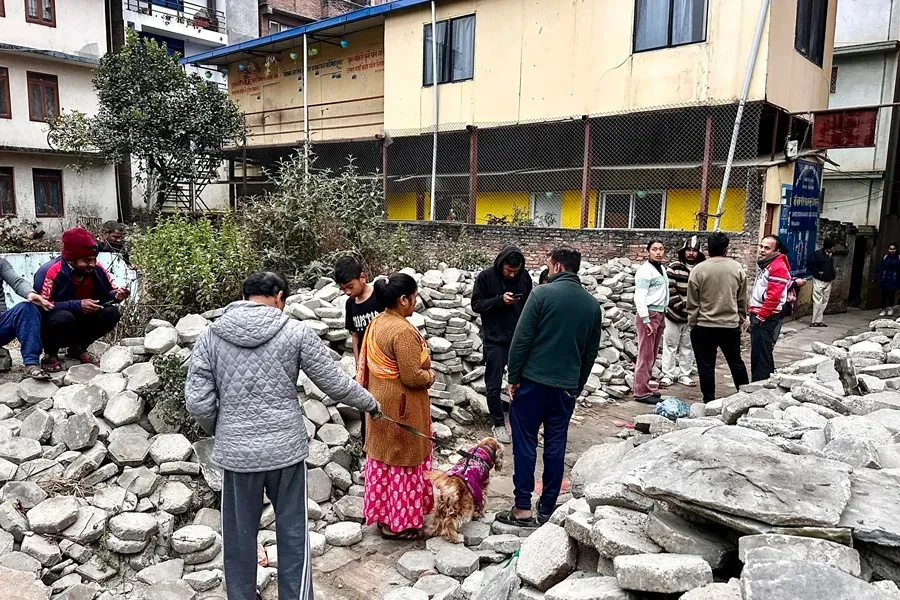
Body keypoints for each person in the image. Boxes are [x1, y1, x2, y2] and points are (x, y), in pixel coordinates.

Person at [185, 271, 378, 600]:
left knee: (239, 537)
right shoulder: (295, 331)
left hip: (237, 456)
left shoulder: (210, 336)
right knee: (293, 535)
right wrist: (371, 403)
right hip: (285, 452)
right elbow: (333, 381)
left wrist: (224, 428)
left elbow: (198, 401)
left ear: (245, 295)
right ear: (278, 296)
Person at [499, 247, 602, 527]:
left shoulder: (541, 294)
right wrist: (576, 386)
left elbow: (521, 340)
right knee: (556, 446)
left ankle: (522, 508)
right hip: (565, 388)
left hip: (532, 382)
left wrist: (514, 377)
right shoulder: (592, 306)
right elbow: (590, 353)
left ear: (556, 266)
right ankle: (546, 510)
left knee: (525, 443)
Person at [358, 273, 436, 541]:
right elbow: (412, 376)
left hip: (380, 404)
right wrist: (430, 375)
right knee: (404, 464)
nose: (415, 303)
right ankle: (399, 524)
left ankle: (383, 517)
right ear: (403, 299)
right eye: (414, 298)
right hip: (402, 410)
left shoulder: (377, 322)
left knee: (384, 463)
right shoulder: (402, 331)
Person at [34, 227, 128, 371]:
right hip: (53, 320)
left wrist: (116, 296)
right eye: (86, 260)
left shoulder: (96, 270)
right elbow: (41, 306)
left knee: (112, 313)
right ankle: (50, 354)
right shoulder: (49, 272)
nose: (92, 264)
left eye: (94, 259)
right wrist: (77, 305)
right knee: (62, 317)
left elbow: (108, 293)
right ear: (71, 259)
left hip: (81, 318)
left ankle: (77, 348)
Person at [471, 246, 532, 444]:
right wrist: (499, 300)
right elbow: (476, 305)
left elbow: (530, 305)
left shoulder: (524, 278)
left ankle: (520, 422)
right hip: (495, 340)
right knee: (494, 384)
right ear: (501, 264)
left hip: (519, 340)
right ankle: (498, 423)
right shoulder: (486, 278)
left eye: (515, 270)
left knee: (522, 384)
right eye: (509, 270)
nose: (512, 274)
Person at [687, 232, 750, 402]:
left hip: (704, 326)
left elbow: (692, 301)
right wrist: (741, 318)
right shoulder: (737, 268)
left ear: (707, 249)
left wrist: (693, 322)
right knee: (735, 361)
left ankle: (709, 400)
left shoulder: (698, 269)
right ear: (726, 250)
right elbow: (742, 299)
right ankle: (744, 396)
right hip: (729, 325)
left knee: (706, 365)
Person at [661, 236, 705, 388]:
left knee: (688, 346)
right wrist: (682, 307)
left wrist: (696, 311)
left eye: (694, 251)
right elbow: (669, 288)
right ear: (683, 251)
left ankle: (684, 374)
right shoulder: (674, 267)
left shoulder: (702, 269)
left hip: (693, 317)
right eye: (689, 250)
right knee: (670, 345)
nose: (691, 253)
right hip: (673, 314)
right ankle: (668, 374)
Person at [748, 235, 792, 382]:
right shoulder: (767, 264)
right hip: (760, 313)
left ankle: (759, 385)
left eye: (767, 248)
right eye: (761, 246)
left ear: (776, 250)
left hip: (766, 316)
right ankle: (765, 381)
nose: (762, 250)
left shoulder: (778, 267)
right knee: (760, 351)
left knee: (761, 353)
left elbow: (773, 297)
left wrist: (760, 316)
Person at [0, 259, 54, 379]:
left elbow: (17, 282)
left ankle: (31, 364)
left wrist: (30, 294)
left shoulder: (1, 263)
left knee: (26, 309)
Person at [633, 240, 669, 404]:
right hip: (649, 313)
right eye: (654, 249)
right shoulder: (645, 271)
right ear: (648, 251)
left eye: (661, 249)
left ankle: (646, 386)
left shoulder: (661, 268)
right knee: (645, 354)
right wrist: (646, 318)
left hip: (659, 312)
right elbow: (639, 296)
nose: (658, 252)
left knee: (652, 353)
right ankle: (640, 391)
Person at [334, 255, 383, 363]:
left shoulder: (380, 295)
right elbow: (355, 336)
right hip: (366, 360)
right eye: (343, 289)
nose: (347, 292)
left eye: (350, 287)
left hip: (384, 357)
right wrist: (358, 362)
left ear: (362, 278)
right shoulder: (350, 304)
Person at [808, 239, 836, 327]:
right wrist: (817, 271)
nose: (834, 249)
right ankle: (814, 321)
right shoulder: (817, 254)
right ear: (829, 247)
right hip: (819, 280)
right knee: (817, 301)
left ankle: (819, 320)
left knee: (824, 301)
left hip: (828, 280)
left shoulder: (830, 256)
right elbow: (810, 265)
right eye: (833, 247)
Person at [877, 242, 900, 317]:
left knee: (892, 294)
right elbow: (881, 267)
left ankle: (890, 307)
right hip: (885, 278)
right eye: (890, 249)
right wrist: (879, 277)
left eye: (893, 249)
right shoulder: (885, 257)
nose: (892, 251)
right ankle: (883, 309)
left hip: (894, 278)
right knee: (884, 294)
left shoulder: (898, 258)